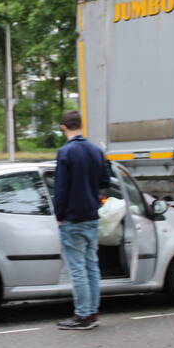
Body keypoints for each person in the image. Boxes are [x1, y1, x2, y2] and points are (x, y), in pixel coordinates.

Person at [54, 110, 112, 330]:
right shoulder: (96, 151)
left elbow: (61, 188)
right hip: (92, 215)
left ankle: (82, 315)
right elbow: (105, 180)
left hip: (72, 217)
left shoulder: (65, 152)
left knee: (77, 268)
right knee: (91, 266)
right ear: (81, 125)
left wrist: (59, 216)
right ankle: (93, 311)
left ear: (63, 127)